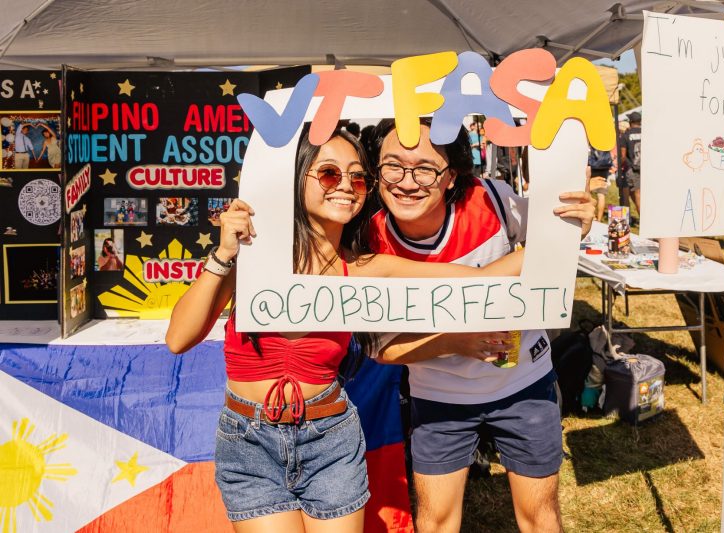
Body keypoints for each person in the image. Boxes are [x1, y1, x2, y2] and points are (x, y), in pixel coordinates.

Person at [165, 126, 527, 533]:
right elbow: (179, 338)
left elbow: (474, 278)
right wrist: (224, 254)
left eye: (357, 177)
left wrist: (562, 237)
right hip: (249, 441)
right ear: (298, 178)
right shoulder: (254, 253)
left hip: (329, 439)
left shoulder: (362, 268)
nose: (346, 187)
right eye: (329, 174)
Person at [366, 119, 594, 533]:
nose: (406, 182)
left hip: (523, 383)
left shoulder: (491, 198)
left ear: (451, 176)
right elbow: (381, 349)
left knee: (540, 516)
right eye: (392, 166)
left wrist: (578, 221)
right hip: (438, 397)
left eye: (425, 169)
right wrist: (456, 341)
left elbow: (555, 232)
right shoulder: (372, 238)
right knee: (434, 520)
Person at [620, 112, 642, 218]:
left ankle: (644, 221)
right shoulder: (647, 132)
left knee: (637, 195)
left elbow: (623, 156)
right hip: (647, 168)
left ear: (631, 122)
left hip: (634, 169)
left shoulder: (626, 135)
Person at [586, 145, 616, 221]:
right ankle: (599, 219)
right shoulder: (606, 141)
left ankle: (591, 216)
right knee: (601, 194)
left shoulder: (592, 140)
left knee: (589, 192)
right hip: (604, 168)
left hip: (593, 167)